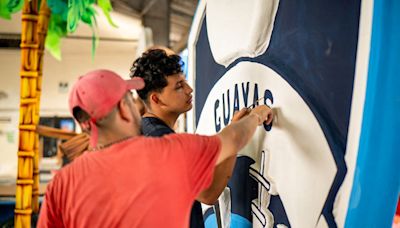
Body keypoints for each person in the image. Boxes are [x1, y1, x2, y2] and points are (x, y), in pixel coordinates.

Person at [37, 69, 273, 227]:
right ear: (121, 108)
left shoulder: (61, 184)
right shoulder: (166, 151)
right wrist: (256, 116)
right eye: (130, 99)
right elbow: (233, 138)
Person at [130, 48, 249, 227]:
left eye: (185, 82)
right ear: (157, 99)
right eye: (179, 86)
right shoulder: (161, 139)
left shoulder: (143, 132)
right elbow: (208, 193)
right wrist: (236, 134)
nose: (189, 89)